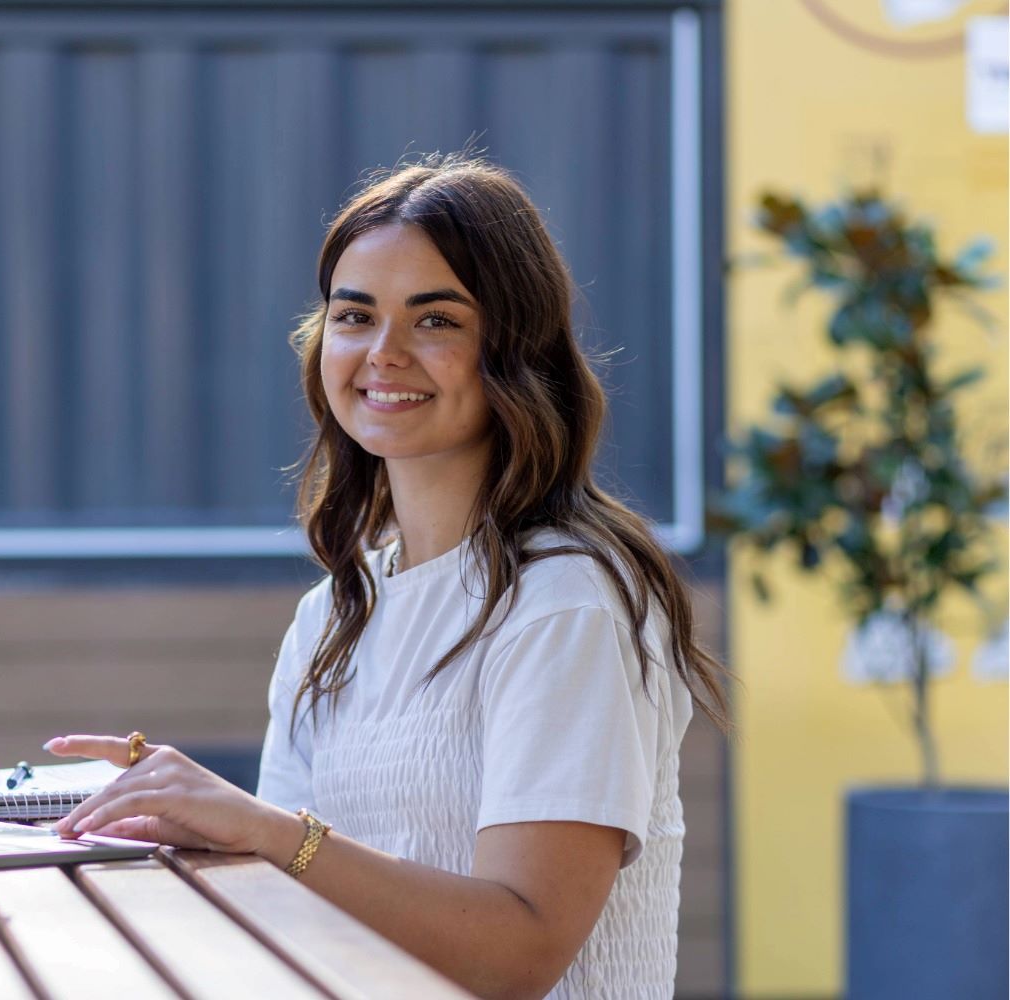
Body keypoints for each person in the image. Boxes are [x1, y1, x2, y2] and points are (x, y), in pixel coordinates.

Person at [44, 152, 733, 1000]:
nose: (383, 353)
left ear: (514, 347)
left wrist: (269, 833)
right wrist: (177, 828)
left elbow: (517, 955)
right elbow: (287, 908)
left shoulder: (567, 603)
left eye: (435, 320)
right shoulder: (333, 615)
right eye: (355, 316)